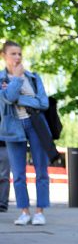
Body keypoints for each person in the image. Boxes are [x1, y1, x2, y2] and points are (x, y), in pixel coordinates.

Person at [0, 40, 52, 226]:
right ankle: (24, 211)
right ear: (3, 56)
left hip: (36, 124)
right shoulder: (2, 79)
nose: (17, 57)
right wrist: (16, 79)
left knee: (41, 171)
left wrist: (19, 98)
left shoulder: (33, 77)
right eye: (13, 54)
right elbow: (8, 98)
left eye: (20, 54)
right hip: (13, 127)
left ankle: (40, 211)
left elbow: (43, 104)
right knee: (18, 173)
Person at [0, 141, 9, 212]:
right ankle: (3, 203)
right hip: (5, 146)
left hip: (5, 145)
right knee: (4, 177)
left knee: (4, 177)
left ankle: (3, 203)